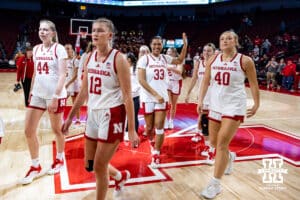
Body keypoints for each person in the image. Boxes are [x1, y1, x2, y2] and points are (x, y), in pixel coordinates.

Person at [61, 18, 140, 200]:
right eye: (93, 30)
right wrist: (70, 117)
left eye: (100, 30)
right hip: (93, 114)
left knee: (99, 166)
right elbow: (83, 93)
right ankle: (120, 177)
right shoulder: (88, 57)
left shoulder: (118, 59)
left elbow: (128, 96)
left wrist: (132, 130)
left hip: (112, 114)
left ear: (110, 35)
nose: (95, 33)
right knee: (90, 164)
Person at [198, 30, 260, 199]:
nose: (225, 40)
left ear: (236, 41)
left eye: (229, 38)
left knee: (221, 144)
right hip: (216, 105)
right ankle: (230, 157)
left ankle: (215, 184)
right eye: (222, 38)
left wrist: (256, 103)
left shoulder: (245, 61)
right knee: (213, 141)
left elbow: (254, 84)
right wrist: (200, 100)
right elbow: (205, 82)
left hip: (234, 106)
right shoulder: (213, 59)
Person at [20, 20, 68, 184]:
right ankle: (35, 166)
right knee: (28, 130)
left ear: (53, 33)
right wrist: (31, 91)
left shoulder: (59, 49)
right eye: (40, 29)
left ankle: (60, 158)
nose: (42, 32)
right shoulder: (36, 49)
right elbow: (35, 74)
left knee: (57, 129)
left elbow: (63, 75)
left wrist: (55, 96)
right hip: (38, 94)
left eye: (46, 30)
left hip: (55, 95)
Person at [137, 33, 187, 168]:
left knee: (159, 126)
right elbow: (141, 80)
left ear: (162, 45)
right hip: (148, 98)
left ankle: (156, 154)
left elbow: (180, 59)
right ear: (151, 45)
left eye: (159, 44)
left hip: (162, 98)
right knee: (149, 129)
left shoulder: (165, 58)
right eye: (154, 44)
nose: (157, 46)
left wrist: (185, 44)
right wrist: (154, 94)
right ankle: (153, 142)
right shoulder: (144, 59)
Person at [185, 43, 216, 143]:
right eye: (204, 50)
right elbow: (194, 78)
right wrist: (188, 93)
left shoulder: (216, 64)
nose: (206, 53)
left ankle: (199, 133)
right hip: (203, 95)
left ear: (214, 52)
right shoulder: (199, 63)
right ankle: (200, 133)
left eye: (209, 51)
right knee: (203, 115)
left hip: (214, 95)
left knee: (207, 117)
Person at [165, 47, 184, 129]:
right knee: (167, 102)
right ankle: (165, 120)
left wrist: (170, 68)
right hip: (167, 82)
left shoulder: (178, 61)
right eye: (167, 52)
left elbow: (180, 71)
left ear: (174, 53)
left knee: (173, 104)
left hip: (176, 82)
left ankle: (171, 121)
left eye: (170, 52)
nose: (168, 53)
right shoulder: (165, 60)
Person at [124, 53, 140, 141]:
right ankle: (127, 132)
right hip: (126, 96)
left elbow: (139, 83)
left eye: (127, 59)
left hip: (135, 96)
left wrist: (134, 91)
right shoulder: (124, 69)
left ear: (130, 60)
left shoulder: (136, 70)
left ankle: (134, 132)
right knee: (127, 115)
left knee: (134, 115)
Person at [64, 44, 81, 124]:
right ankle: (60, 118)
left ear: (72, 50)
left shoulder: (75, 61)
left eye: (68, 49)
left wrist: (68, 84)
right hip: (66, 85)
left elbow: (76, 75)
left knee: (75, 104)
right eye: (65, 49)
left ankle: (78, 120)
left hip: (73, 86)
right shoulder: (63, 61)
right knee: (61, 102)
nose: (67, 50)